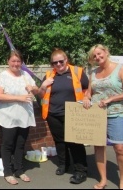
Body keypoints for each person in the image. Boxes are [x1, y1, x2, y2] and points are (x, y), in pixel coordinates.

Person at [38, 48, 89, 184]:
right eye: (55, 63)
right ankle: (63, 164)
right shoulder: (49, 75)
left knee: (75, 142)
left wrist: (87, 98)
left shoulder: (77, 72)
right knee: (59, 141)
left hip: (73, 114)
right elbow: (41, 95)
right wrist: (43, 85)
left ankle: (80, 170)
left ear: (66, 60)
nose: (58, 65)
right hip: (53, 114)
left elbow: (88, 89)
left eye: (61, 61)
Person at [83, 44, 123, 189]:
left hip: (117, 113)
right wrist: (86, 97)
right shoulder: (93, 73)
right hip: (97, 114)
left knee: (120, 148)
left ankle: (122, 182)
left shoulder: (121, 69)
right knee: (99, 147)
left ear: (106, 52)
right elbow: (90, 93)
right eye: (94, 56)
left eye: (99, 53)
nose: (97, 57)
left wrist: (110, 99)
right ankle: (103, 180)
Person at [0, 50, 39, 185]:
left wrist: (33, 88)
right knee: (8, 144)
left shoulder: (25, 75)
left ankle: (19, 170)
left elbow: (36, 90)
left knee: (20, 144)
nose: (16, 63)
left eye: (18, 61)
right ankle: (8, 172)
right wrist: (20, 98)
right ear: (8, 61)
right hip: (8, 117)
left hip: (24, 116)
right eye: (13, 61)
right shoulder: (3, 76)